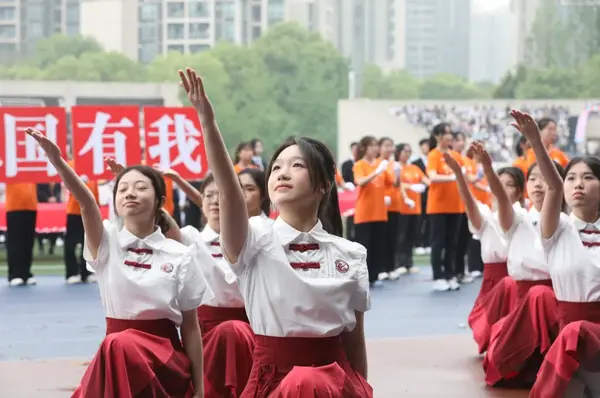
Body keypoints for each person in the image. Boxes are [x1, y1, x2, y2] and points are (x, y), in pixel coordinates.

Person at [179, 67, 372, 397]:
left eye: (297, 165)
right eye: (277, 167)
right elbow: (229, 193)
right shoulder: (254, 240)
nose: (283, 173)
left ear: (324, 184)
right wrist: (207, 122)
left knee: (310, 383)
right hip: (273, 382)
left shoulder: (350, 254)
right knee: (302, 384)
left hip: (333, 382)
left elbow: (354, 344)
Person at [26, 129, 212, 398]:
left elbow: (191, 327)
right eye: (122, 189)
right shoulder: (107, 243)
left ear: (160, 202)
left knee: (119, 345)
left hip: (165, 359)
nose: (130, 193)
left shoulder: (179, 254)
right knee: (119, 344)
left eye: (140, 188)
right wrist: (57, 161)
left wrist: (200, 388)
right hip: (117, 354)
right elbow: (87, 203)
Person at [514, 109, 600, 397]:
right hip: (568, 345)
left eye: (588, 177)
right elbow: (552, 183)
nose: (578, 183)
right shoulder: (558, 229)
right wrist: (536, 142)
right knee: (572, 338)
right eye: (572, 177)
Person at [483, 159, 564, 388]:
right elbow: (501, 199)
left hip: (556, 299)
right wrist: (488, 169)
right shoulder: (518, 219)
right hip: (523, 301)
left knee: (541, 295)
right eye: (533, 178)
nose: (539, 184)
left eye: (545, 177)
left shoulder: (567, 224)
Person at [179, 173, 255, 398]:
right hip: (203, 335)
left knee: (234, 332)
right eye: (208, 196)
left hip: (249, 333)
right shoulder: (187, 239)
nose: (214, 201)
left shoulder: (258, 240)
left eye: (220, 195)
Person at [444, 143, 517, 354]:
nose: (502, 188)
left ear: (520, 191)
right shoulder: (485, 217)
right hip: (492, 283)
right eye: (498, 183)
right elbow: (469, 202)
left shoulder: (525, 217)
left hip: (518, 282)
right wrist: (458, 174)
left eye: (509, 184)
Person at [353, 135, 400, 287]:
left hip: (380, 212)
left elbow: (393, 183)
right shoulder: (359, 165)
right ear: (364, 148)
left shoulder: (381, 164)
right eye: (372, 146)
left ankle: (374, 276)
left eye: (376, 146)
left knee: (377, 246)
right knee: (364, 247)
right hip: (365, 213)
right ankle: (362, 277)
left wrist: (397, 173)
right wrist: (376, 172)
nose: (375, 148)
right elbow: (360, 181)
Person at [426, 123, 464, 291]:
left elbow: (464, 175)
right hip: (438, 206)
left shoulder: (456, 155)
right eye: (446, 134)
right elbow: (433, 176)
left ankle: (450, 274)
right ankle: (438, 276)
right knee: (438, 243)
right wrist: (452, 178)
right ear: (437, 136)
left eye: (450, 133)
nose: (449, 137)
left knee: (452, 243)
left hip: (455, 205)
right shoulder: (433, 155)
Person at [64, 161, 100, 284]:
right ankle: (72, 272)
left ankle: (87, 272)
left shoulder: (94, 165)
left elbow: (96, 187)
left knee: (89, 244)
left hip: (90, 210)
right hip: (74, 210)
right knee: (71, 243)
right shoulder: (70, 164)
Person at [395, 143, 428, 275]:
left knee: (411, 235)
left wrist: (425, 185)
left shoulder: (414, 168)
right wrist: (411, 187)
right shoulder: (396, 167)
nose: (407, 154)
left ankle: (409, 262)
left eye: (409, 151)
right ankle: (399, 262)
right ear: (398, 152)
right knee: (401, 236)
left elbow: (426, 180)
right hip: (401, 207)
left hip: (415, 207)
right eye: (404, 151)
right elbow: (396, 183)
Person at [5, 182, 38, 286]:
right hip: (14, 206)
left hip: (31, 205)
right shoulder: (10, 165)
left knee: (28, 242)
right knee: (15, 242)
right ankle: (15, 274)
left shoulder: (32, 167)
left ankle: (26, 273)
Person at [412, 138, 431, 255]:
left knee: (429, 220)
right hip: (419, 195)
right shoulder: (415, 163)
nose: (426, 148)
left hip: (431, 195)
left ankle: (427, 243)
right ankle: (418, 243)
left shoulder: (433, 161)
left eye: (428, 145)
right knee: (419, 220)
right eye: (424, 145)